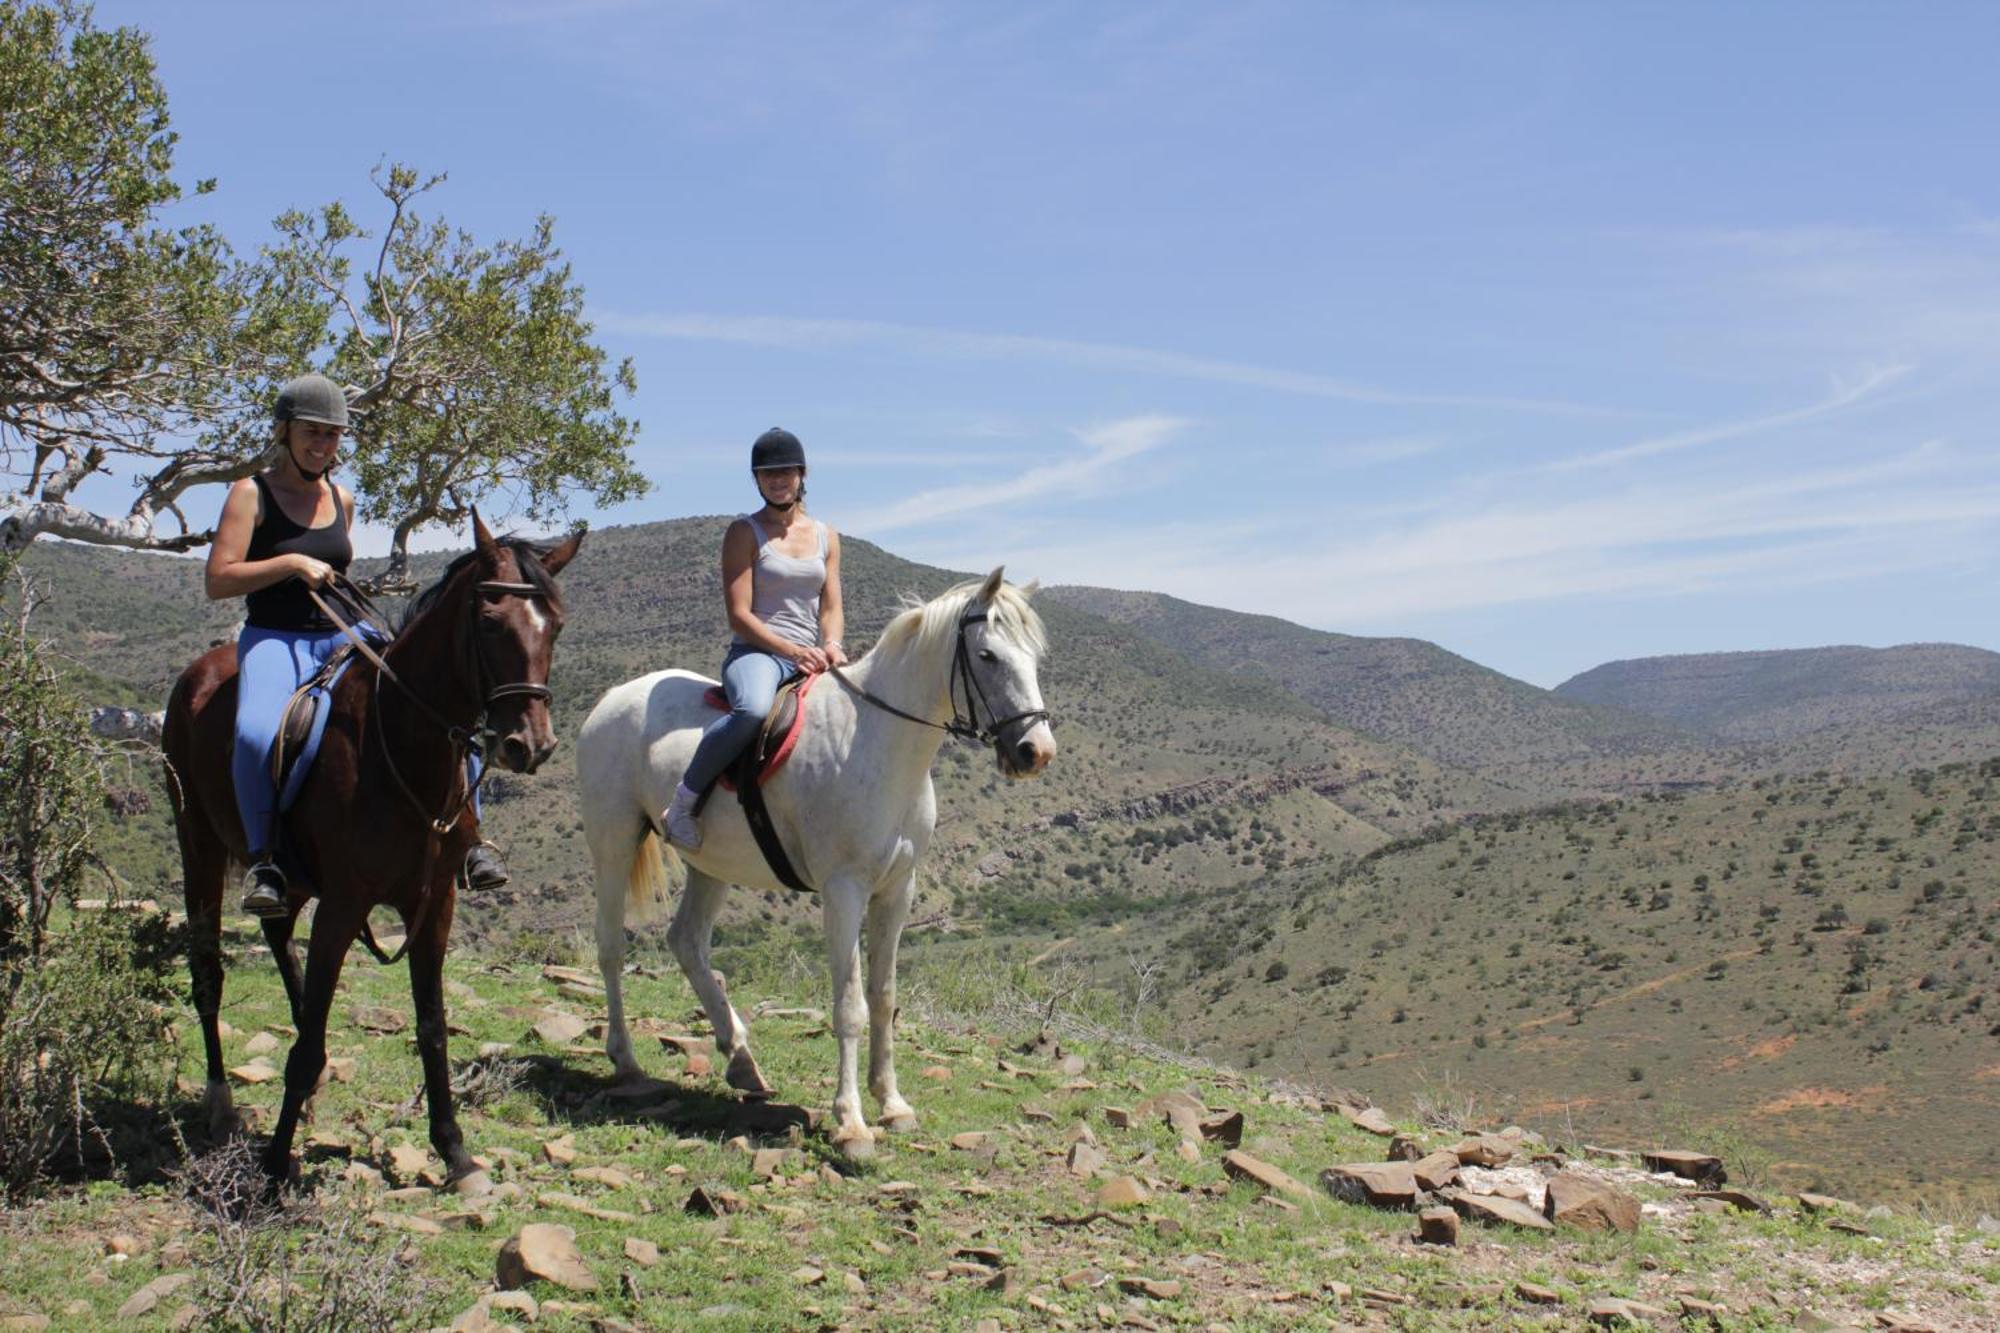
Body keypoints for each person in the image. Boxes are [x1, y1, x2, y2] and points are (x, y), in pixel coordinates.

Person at [203, 374, 509, 917]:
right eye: (311, 432)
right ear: (284, 432)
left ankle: (471, 843)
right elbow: (219, 578)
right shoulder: (251, 493)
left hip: (344, 633)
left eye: (332, 435)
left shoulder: (341, 498)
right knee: (253, 735)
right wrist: (292, 563)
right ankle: (265, 860)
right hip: (277, 637)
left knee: (443, 708)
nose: (322, 445)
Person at [662, 426, 847, 850]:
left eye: (785, 472)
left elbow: (831, 606)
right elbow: (739, 615)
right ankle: (683, 804)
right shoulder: (744, 532)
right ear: (756, 479)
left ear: (802, 474)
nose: (777, 480)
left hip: (813, 654)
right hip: (759, 654)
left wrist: (833, 644)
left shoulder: (826, 535)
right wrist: (794, 651)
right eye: (767, 474)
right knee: (751, 710)